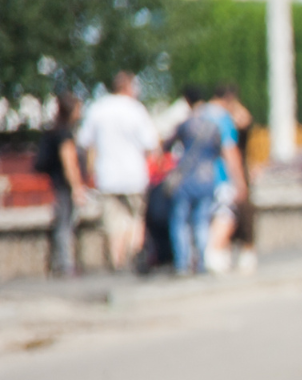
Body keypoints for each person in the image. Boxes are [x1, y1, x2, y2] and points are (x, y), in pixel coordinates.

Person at [75, 72, 160, 271]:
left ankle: (116, 262)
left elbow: (84, 142)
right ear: (129, 87)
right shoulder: (136, 109)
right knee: (135, 219)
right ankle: (134, 257)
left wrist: (87, 171)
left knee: (113, 223)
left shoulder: (98, 108)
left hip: (107, 176)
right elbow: (151, 145)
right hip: (134, 176)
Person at [167, 85, 246, 276]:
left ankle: (182, 264)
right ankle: (203, 261)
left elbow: (166, 145)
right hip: (210, 178)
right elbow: (229, 150)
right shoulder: (219, 120)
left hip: (185, 180)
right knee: (203, 221)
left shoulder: (185, 123)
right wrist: (240, 181)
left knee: (180, 221)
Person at [36, 94, 86, 277]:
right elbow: (69, 163)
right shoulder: (65, 134)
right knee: (66, 224)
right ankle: (66, 265)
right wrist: (77, 188)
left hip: (57, 184)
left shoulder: (54, 131)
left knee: (62, 224)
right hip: (65, 186)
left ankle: (62, 264)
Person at [213, 84, 258, 273]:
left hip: (236, 171)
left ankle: (244, 252)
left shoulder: (227, 118)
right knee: (230, 214)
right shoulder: (219, 119)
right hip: (228, 173)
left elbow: (245, 120)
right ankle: (225, 251)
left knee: (242, 213)